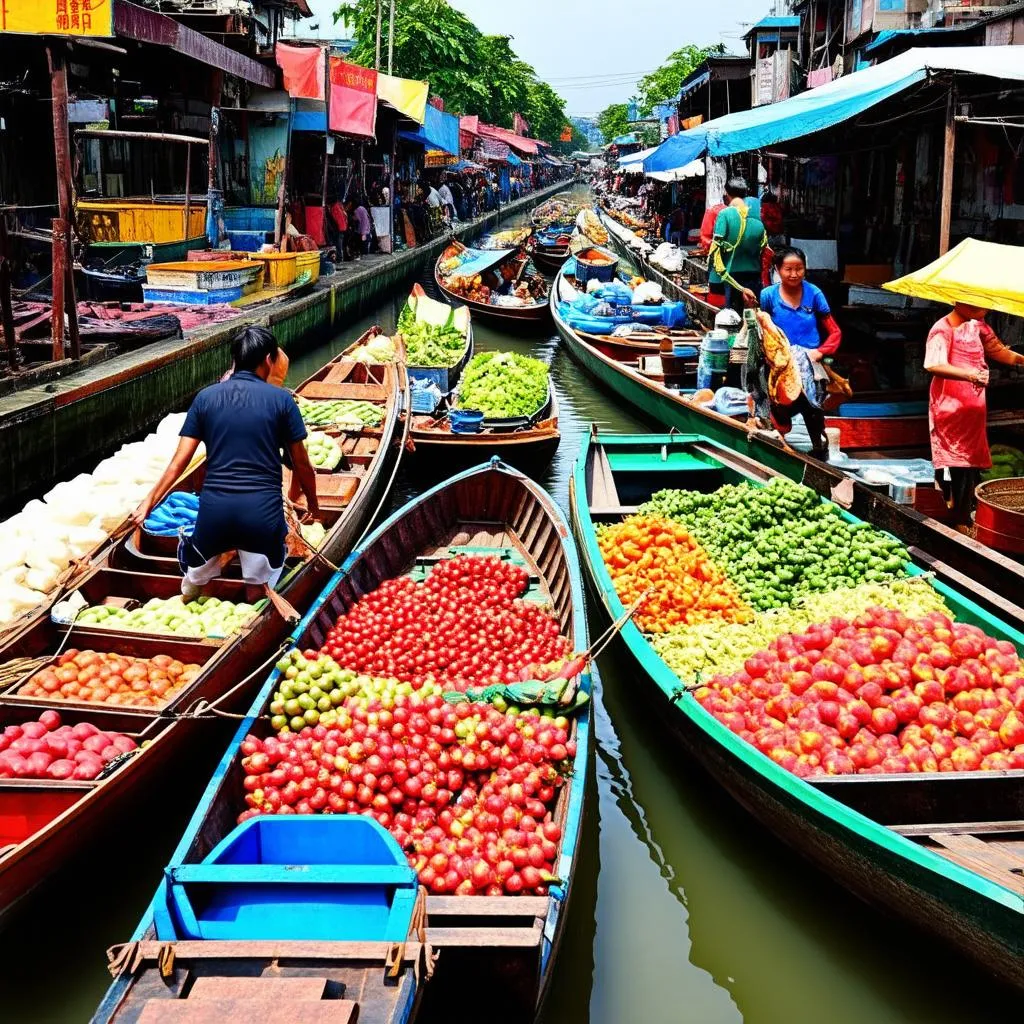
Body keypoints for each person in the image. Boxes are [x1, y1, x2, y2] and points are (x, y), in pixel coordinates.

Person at [133, 327, 321, 602]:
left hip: (214, 515)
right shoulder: (282, 400)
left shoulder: (206, 398)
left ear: (234, 360)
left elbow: (178, 463)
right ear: (269, 360)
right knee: (257, 587)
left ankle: (205, 604)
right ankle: (253, 608)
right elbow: (302, 466)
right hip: (262, 515)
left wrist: (147, 503)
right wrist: (314, 508)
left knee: (204, 586)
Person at [924, 303, 1024, 526]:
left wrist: (1021, 359)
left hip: (973, 408)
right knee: (953, 463)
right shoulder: (942, 328)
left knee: (970, 463)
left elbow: (1000, 352)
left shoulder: (978, 326)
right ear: (956, 301)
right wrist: (970, 375)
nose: (983, 307)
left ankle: (964, 515)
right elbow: (932, 364)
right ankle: (953, 517)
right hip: (950, 407)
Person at [759, 247, 841, 364]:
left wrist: (820, 352)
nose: (794, 274)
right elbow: (763, 330)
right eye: (788, 269)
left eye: (799, 269)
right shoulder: (768, 295)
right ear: (777, 269)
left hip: (811, 359)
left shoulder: (814, 293)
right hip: (779, 360)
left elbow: (835, 331)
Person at [709, 177, 767, 314]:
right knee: (753, 316)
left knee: (734, 317)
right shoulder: (758, 218)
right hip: (755, 274)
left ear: (726, 193)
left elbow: (715, 251)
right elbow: (763, 248)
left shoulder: (725, 214)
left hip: (732, 275)